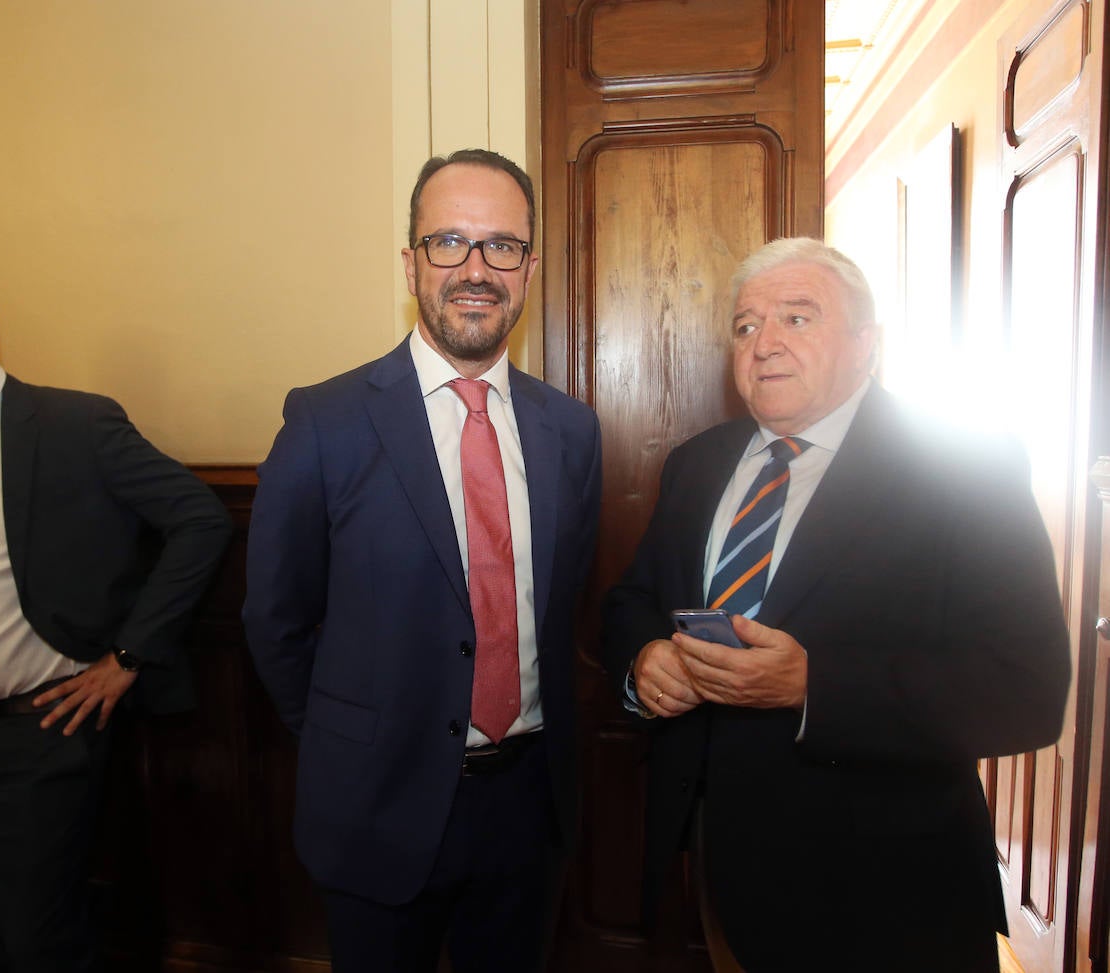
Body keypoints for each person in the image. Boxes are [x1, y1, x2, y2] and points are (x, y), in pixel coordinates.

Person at [602, 237, 1071, 972]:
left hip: (889, 901)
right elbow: (632, 598)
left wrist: (813, 687)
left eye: (797, 317)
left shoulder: (968, 466)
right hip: (718, 881)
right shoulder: (697, 464)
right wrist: (644, 659)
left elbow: (1026, 691)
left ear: (866, 345)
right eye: (747, 325)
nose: (765, 344)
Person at [242, 149, 602, 972]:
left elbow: (565, 600)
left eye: (501, 246)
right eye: (448, 242)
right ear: (410, 263)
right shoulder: (325, 422)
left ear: (530, 266)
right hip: (375, 806)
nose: (475, 269)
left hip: (528, 807)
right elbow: (276, 620)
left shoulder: (571, 431)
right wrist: (357, 737)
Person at [0, 252, 233, 972]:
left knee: (38, 936)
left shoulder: (72, 424)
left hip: (44, 729)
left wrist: (127, 658)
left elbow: (201, 520)